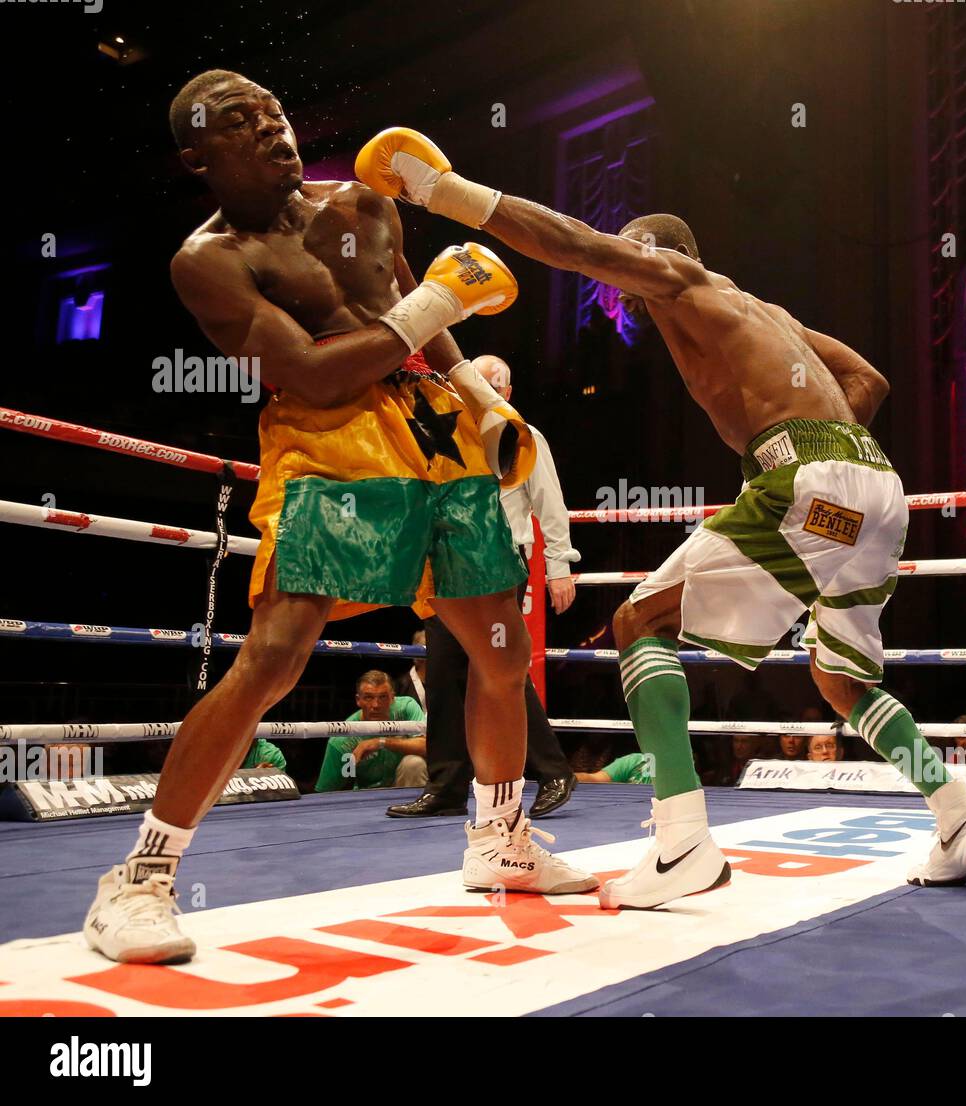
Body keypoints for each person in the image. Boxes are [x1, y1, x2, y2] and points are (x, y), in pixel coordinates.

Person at [354, 126, 966, 906]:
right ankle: (957, 816)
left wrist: (438, 190)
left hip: (815, 482)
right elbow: (866, 378)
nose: (617, 280)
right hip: (874, 493)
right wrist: (827, 466)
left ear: (660, 253)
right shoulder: (765, 312)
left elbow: (572, 243)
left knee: (638, 624)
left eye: (627, 260)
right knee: (840, 679)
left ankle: (682, 841)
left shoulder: (678, 277)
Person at [84, 74, 595, 966]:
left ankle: (501, 841)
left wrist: (479, 397)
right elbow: (318, 372)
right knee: (275, 658)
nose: (271, 127)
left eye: (274, 111)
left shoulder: (363, 202)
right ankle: (140, 878)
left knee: (502, 649)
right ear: (198, 157)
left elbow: (425, 326)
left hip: (435, 429)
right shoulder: (209, 259)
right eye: (241, 123)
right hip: (328, 437)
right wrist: (440, 300)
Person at [387, 354, 579, 819]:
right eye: (473, 383)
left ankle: (553, 769)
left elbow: (549, 504)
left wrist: (559, 566)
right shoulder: (444, 432)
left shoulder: (522, 434)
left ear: (506, 394)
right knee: (446, 671)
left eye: (491, 385)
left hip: (498, 563)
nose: (480, 392)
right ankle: (447, 785)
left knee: (498, 669)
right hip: (445, 567)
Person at [316, 672, 427, 791]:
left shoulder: (407, 708)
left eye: (383, 697)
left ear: (392, 698)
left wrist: (380, 742)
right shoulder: (343, 740)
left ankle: (417, 808)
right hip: (367, 797)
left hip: (403, 790)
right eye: (368, 697)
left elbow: (426, 746)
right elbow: (326, 791)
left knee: (414, 764)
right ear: (358, 700)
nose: (376, 705)